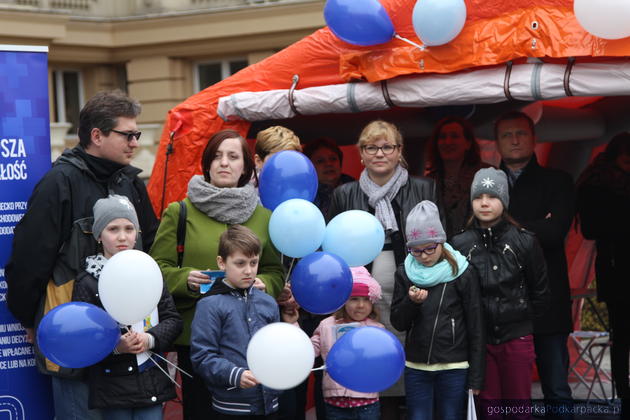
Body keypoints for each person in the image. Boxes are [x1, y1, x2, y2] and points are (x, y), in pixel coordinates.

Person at [5, 90, 158, 420]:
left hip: (128, 339)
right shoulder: (59, 182)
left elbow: (152, 249)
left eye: (137, 134)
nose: (135, 142)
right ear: (97, 135)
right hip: (74, 335)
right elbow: (29, 259)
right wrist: (30, 316)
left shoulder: (132, 184)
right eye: (128, 134)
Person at [150, 129, 285, 420]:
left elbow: (275, 270)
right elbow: (155, 269)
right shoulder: (180, 212)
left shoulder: (264, 217)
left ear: (246, 167)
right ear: (207, 164)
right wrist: (184, 278)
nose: (224, 162)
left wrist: (267, 284)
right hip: (196, 340)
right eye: (217, 156)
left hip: (250, 338)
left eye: (233, 156)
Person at [328, 119, 439, 419]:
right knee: (370, 350)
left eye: (387, 146)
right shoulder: (344, 194)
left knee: (408, 351)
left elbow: (441, 243)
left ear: (399, 151)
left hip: (411, 281)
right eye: (371, 147)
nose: (379, 153)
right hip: (362, 287)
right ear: (361, 153)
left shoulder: (425, 188)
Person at [451, 168, 550, 420]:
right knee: (489, 409)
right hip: (479, 341)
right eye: (478, 197)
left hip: (516, 337)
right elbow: (455, 296)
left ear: (504, 201)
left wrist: (522, 323)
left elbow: (540, 292)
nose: (484, 203)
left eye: (492, 196)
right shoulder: (460, 245)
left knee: (518, 409)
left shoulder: (525, 241)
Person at [494, 111, 575, 419]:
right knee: (505, 392)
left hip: (548, 299)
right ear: (497, 143)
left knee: (556, 388)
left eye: (521, 133)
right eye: (507, 135)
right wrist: (536, 226)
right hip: (500, 303)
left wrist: (506, 228)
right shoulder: (487, 181)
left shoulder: (558, 180)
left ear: (533, 138)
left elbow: (555, 234)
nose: (514, 140)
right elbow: (480, 237)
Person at [72, 195, 182, 419]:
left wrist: (150, 339)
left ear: (137, 233)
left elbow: (172, 319)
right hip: (111, 385)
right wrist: (115, 346)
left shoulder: (150, 272)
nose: (122, 237)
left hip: (150, 382)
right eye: (113, 229)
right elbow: (83, 337)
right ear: (99, 235)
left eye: (129, 228)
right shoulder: (87, 281)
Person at [391, 200, 485, 420]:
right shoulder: (405, 272)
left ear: (441, 241)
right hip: (417, 366)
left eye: (429, 248)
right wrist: (411, 302)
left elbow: (476, 325)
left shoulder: (463, 272)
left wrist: (476, 377)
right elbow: (398, 322)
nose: (423, 256)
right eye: (416, 250)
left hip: (454, 365)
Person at [190, 225, 296, 419]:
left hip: (270, 404)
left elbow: (275, 349)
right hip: (230, 408)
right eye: (240, 263)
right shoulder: (209, 305)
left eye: (254, 263)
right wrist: (235, 374)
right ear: (222, 263)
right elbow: (202, 356)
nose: (248, 271)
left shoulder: (268, 302)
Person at [576, 132, 630, 419]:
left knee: (622, 337)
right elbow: (590, 229)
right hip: (617, 268)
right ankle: (624, 395)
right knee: (621, 336)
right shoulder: (598, 184)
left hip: (616, 265)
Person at [311, 266, 384, 420]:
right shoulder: (327, 325)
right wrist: (293, 325)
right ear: (343, 300)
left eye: (366, 300)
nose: (361, 305)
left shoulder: (377, 329)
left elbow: (383, 362)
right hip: (335, 402)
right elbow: (307, 351)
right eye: (354, 299)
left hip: (367, 401)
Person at [425, 116, 490, 238]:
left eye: (454, 136)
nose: (448, 142)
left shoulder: (485, 175)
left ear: (468, 143)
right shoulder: (429, 182)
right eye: (442, 137)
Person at [303, 137, 355, 218]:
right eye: (320, 161)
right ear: (309, 166)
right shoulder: (304, 196)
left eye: (333, 159)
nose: (328, 164)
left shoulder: (357, 190)